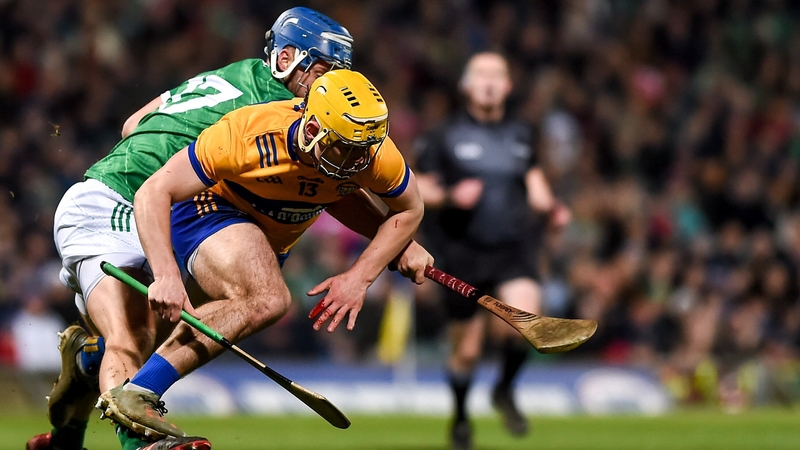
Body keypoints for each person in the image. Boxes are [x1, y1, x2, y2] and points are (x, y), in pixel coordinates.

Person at [27, 7, 374, 450]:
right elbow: (330, 183)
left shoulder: (237, 74)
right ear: (287, 59)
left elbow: (133, 123)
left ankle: (82, 377)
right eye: (324, 72)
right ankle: (144, 444)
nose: (331, 87)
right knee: (133, 337)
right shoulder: (279, 109)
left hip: (161, 210)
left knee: (154, 334)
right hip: (115, 201)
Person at [92, 69, 428, 441]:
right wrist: (165, 275)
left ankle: (90, 356)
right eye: (346, 149)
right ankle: (140, 394)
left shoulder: (371, 153)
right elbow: (153, 192)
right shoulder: (248, 133)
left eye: (366, 150)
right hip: (213, 209)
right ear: (312, 129)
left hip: (269, 239)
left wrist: (360, 275)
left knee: (184, 327)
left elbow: (409, 209)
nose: (358, 162)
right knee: (267, 298)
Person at [414, 52, 571, 450]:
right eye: (481, 75)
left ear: (508, 86)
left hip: (512, 249)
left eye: (497, 75)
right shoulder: (444, 134)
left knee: (524, 322)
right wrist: (450, 195)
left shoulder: (520, 133)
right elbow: (418, 186)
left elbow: (533, 180)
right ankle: (461, 416)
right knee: (466, 351)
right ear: (466, 86)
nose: (489, 82)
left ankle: (503, 388)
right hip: (462, 252)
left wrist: (552, 207)